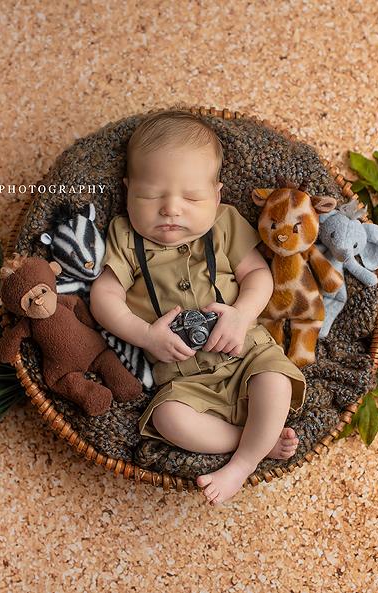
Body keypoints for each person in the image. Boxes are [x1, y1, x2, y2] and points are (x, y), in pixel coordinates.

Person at [90, 110, 306, 505]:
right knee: (166, 418)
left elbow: (258, 275)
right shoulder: (124, 236)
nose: (171, 209)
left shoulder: (225, 224)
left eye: (192, 198)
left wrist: (241, 315)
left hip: (246, 352)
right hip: (183, 377)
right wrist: (144, 336)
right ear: (127, 191)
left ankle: (240, 465)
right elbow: (103, 297)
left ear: (217, 195)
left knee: (274, 381)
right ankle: (255, 443)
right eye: (150, 195)